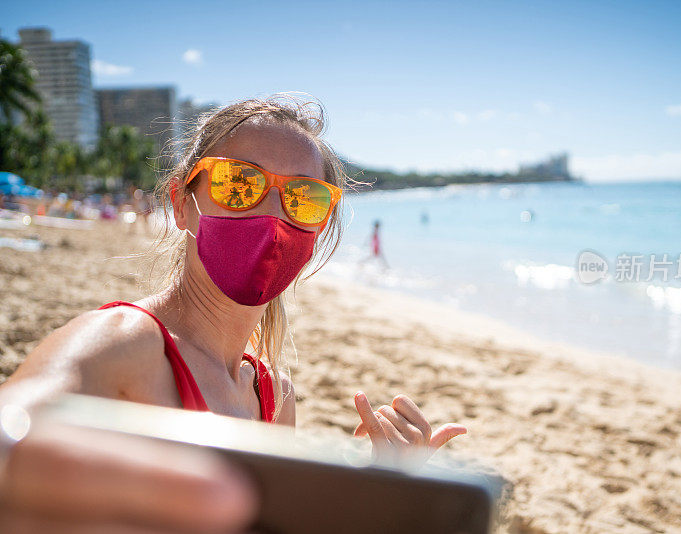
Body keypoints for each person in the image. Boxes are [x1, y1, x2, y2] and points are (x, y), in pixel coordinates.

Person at [0, 95, 466, 531]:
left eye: (305, 197)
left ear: (319, 229)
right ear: (182, 204)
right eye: (238, 183)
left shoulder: (275, 396)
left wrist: (378, 494)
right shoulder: (122, 342)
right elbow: (12, 424)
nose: (273, 213)